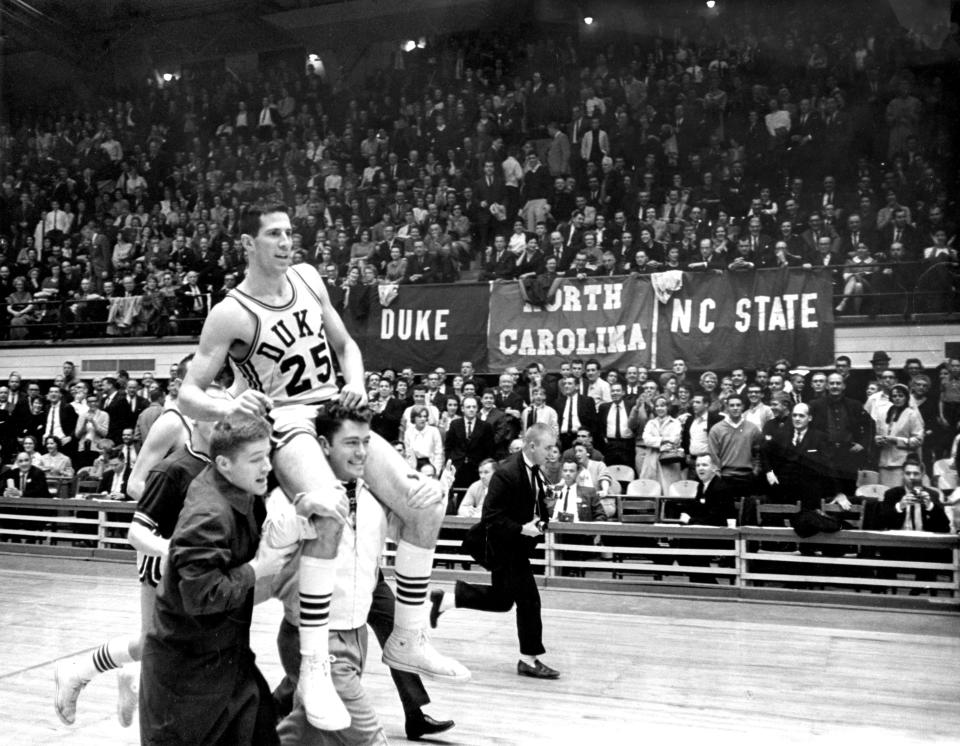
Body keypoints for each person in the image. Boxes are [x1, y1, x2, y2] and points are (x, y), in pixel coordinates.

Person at [176, 201, 467, 729]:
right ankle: (313, 664)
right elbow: (190, 394)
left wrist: (355, 384)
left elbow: (347, 345)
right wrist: (230, 404)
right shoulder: (231, 312)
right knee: (329, 510)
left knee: (427, 500)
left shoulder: (309, 278)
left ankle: (407, 636)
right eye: (273, 234)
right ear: (248, 243)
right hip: (286, 421)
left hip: (334, 408)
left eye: (290, 232)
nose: (287, 242)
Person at [274, 405, 456, 745]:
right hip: (316, 637)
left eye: (366, 443)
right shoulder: (291, 494)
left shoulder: (373, 496)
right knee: (371, 739)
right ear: (324, 446)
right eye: (350, 443)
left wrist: (436, 493)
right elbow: (271, 545)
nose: (361, 452)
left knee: (304, 735)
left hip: (355, 633)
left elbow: (414, 528)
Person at [54, 402, 219, 729]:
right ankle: (86, 673)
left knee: (172, 643)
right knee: (161, 642)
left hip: (197, 551)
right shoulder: (174, 423)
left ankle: (126, 676)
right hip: (163, 542)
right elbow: (135, 484)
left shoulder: (225, 426)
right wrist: (183, 514)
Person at [139, 416, 294, 745]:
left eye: (267, 456)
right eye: (257, 460)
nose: (267, 466)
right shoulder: (208, 515)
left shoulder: (238, 482)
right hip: (187, 680)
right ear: (223, 463)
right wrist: (258, 568)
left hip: (226, 660)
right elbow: (202, 596)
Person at [430, 423, 560, 680]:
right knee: (529, 600)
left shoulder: (536, 471)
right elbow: (491, 517)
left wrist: (547, 509)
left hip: (513, 545)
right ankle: (529, 659)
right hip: (501, 545)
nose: (551, 453)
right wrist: (523, 529)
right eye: (547, 448)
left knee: (502, 601)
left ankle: (447, 600)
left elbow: (533, 508)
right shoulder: (507, 473)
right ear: (532, 446)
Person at [875, 383, 924, 487]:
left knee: (898, 492)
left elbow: (918, 440)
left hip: (902, 462)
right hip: (884, 461)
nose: (897, 398)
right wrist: (878, 439)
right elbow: (878, 432)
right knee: (884, 493)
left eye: (900, 396)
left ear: (906, 397)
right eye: (894, 396)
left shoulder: (912, 414)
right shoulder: (885, 413)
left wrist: (896, 440)